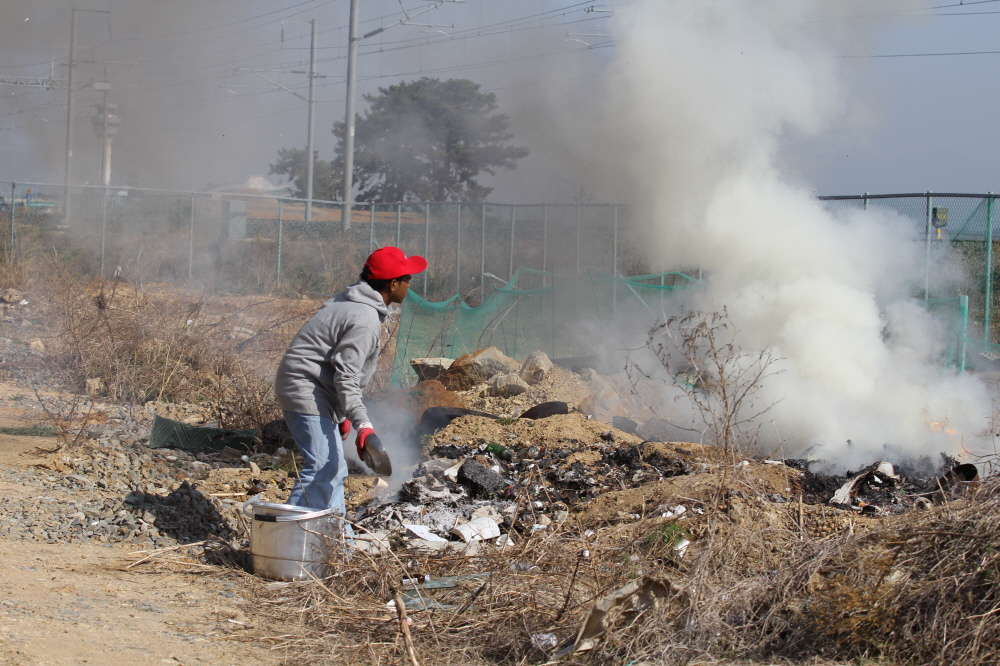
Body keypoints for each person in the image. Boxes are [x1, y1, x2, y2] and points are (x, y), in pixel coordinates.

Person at [274, 246, 427, 519]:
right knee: (322, 468)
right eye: (407, 279)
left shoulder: (352, 300)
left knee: (333, 469)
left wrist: (342, 412)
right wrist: (364, 426)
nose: (409, 285)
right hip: (304, 389)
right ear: (393, 284)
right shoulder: (364, 319)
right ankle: (283, 533)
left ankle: (339, 545)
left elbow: (334, 366)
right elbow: (346, 376)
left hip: (312, 387)